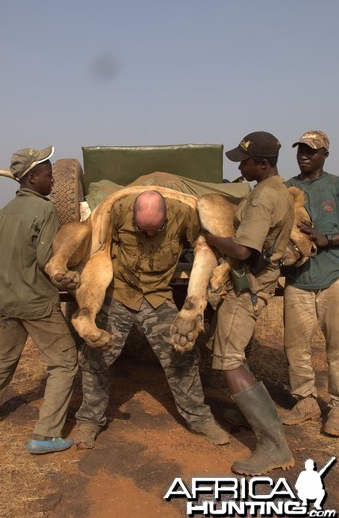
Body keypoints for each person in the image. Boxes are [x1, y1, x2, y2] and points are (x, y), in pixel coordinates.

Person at [74, 189, 230, 450]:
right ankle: (89, 420)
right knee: (95, 356)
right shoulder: (118, 209)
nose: (148, 235)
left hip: (157, 296)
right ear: (132, 213)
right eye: (141, 229)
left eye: (154, 230)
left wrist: (200, 296)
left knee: (182, 353)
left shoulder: (183, 215)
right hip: (120, 293)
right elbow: (95, 249)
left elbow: (205, 247)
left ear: (166, 213)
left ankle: (200, 419)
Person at [0, 146, 78, 454]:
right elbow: (48, 259)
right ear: (32, 178)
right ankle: (45, 436)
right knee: (64, 363)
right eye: (49, 176)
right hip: (35, 302)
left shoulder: (6, 210)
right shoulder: (45, 210)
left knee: (2, 361)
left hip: (7, 300)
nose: (53, 182)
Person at [204, 131, 295, 475]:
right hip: (252, 284)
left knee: (229, 360)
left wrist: (210, 237)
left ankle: (274, 446)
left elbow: (244, 249)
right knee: (229, 353)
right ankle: (249, 415)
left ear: (263, 163)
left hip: (249, 288)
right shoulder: (272, 190)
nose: (240, 167)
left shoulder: (263, 197)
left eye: (244, 162)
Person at [281, 130, 339, 437]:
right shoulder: (285, 190)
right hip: (298, 280)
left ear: (324, 155)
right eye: (301, 149)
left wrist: (327, 239)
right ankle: (305, 401)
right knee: (296, 347)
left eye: (312, 150)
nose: (304, 154)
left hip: (336, 277)